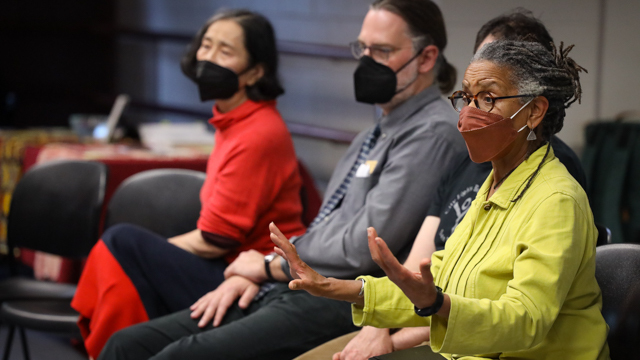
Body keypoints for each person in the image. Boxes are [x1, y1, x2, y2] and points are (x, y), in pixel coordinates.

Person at [98, 1, 466, 359]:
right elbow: (327, 225)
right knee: (128, 345)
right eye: (362, 47)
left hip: (345, 297)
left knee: (177, 354)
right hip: (298, 283)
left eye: (382, 51)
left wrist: (267, 267)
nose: (367, 60)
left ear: (427, 58)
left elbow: (361, 248)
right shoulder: (379, 130)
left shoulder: (431, 133)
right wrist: (263, 269)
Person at [271, 39, 610, 360]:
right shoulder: (495, 184)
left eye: (488, 98)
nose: (470, 113)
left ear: (534, 111)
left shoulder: (557, 200)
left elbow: (526, 320)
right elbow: (440, 280)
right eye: (468, 97)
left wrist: (438, 304)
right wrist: (332, 287)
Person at [71, 9, 307, 359]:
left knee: (122, 244)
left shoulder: (258, 131)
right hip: (230, 266)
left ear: (255, 72)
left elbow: (216, 240)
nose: (208, 58)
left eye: (225, 51)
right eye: (206, 45)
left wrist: (147, 255)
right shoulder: (234, 120)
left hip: (260, 277)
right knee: (126, 252)